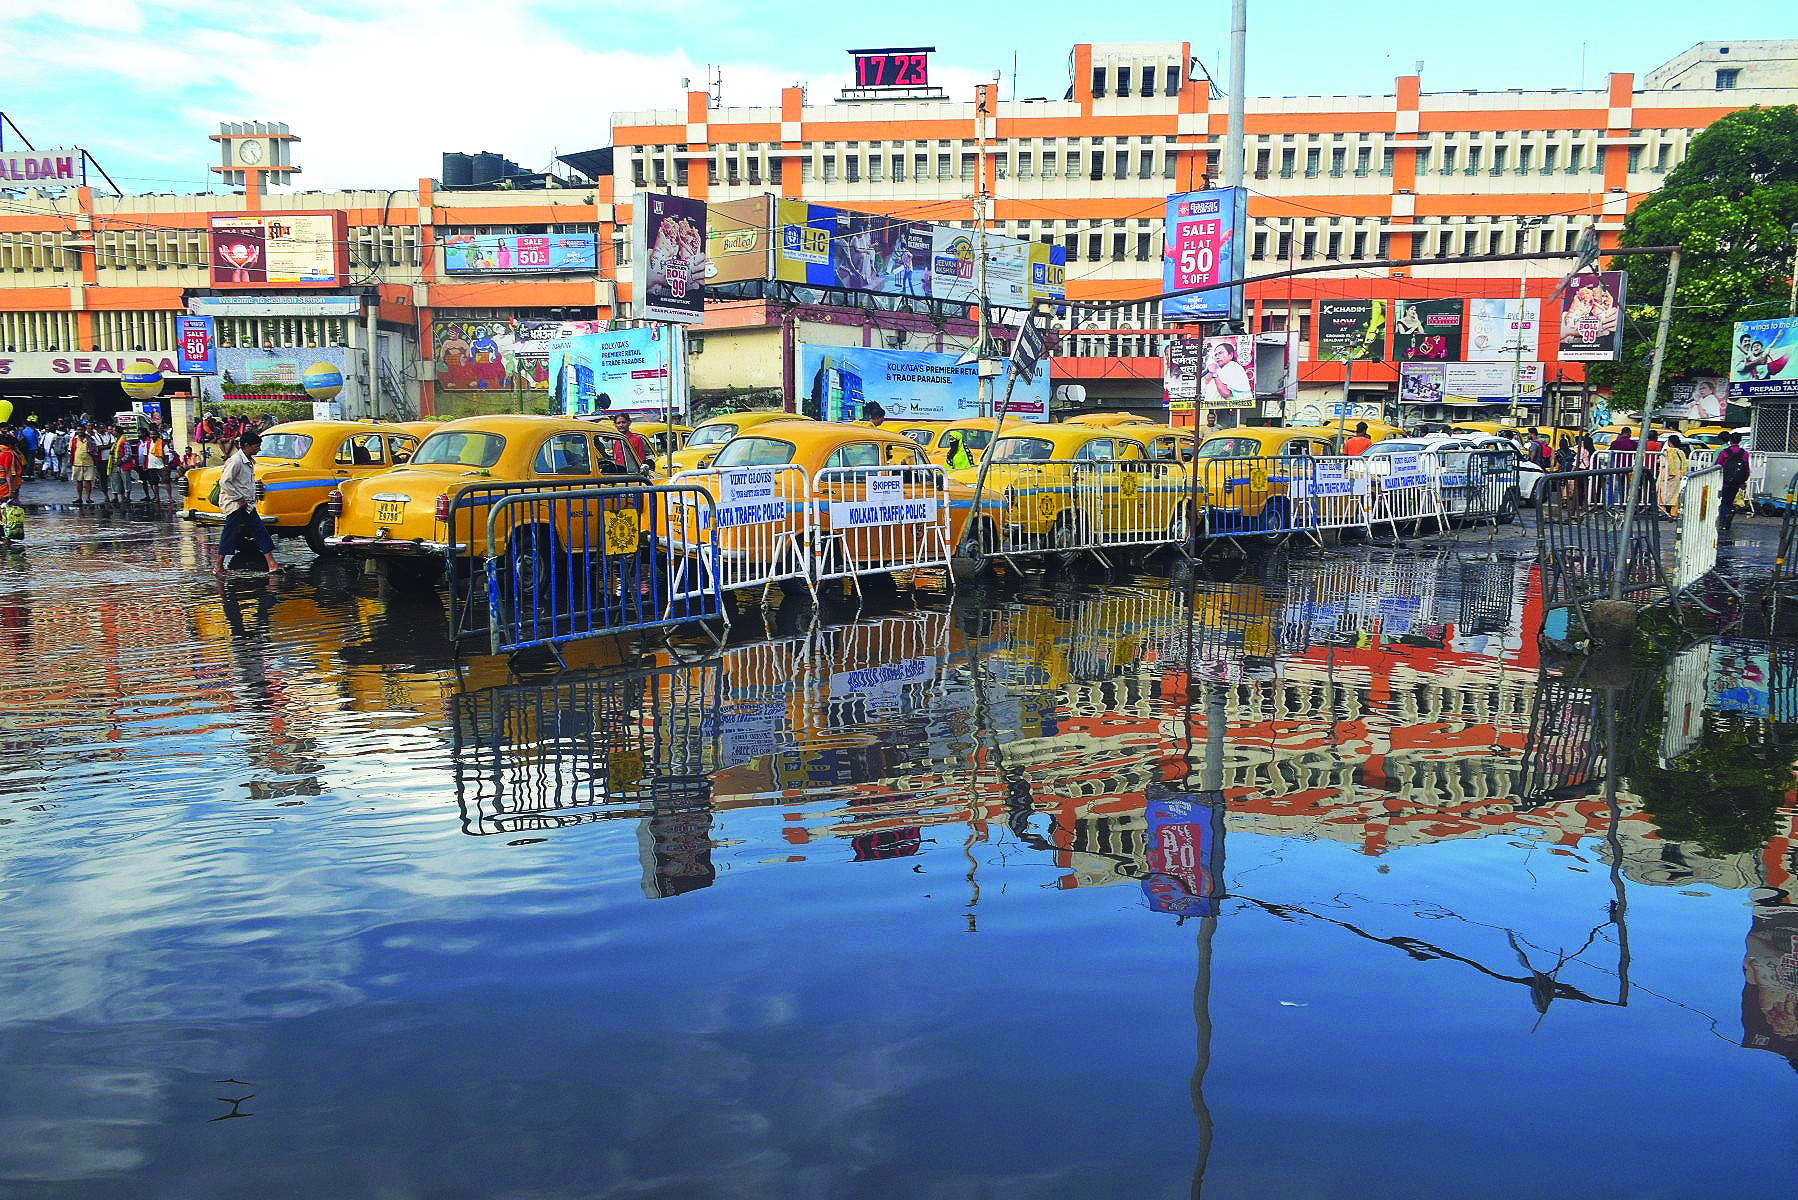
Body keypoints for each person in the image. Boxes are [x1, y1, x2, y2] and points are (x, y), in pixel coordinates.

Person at [213, 429, 278, 576]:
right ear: (246, 446)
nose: (259, 449)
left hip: (247, 505)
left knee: (260, 531)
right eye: (256, 446)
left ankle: (272, 564)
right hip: (235, 504)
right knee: (230, 534)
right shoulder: (235, 461)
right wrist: (238, 498)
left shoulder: (249, 461)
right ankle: (218, 566)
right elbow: (225, 482)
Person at [1718, 432, 1751, 532]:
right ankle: (1729, 515)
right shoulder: (1745, 453)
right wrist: (1743, 481)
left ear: (1730, 440)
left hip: (1725, 481)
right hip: (1737, 482)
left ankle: (1725, 517)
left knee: (1724, 501)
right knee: (1731, 499)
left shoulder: (1724, 452)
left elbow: (1717, 465)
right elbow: (1747, 470)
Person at [1655, 433, 1689, 519]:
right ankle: (1674, 513)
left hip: (1666, 475)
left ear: (1669, 442)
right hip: (1677, 477)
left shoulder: (1666, 452)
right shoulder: (1681, 452)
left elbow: (1663, 464)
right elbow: (1684, 465)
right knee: (1675, 495)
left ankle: (1662, 511)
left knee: (1662, 493)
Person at [70, 422, 101, 506]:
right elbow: (71, 451)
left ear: (84, 430)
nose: (80, 431)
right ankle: (79, 498)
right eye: (78, 430)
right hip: (77, 463)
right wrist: (71, 462)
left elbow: (95, 450)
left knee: (88, 481)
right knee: (78, 481)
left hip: (89, 462)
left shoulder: (90, 439)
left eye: (81, 430)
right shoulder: (73, 439)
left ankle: (88, 498)